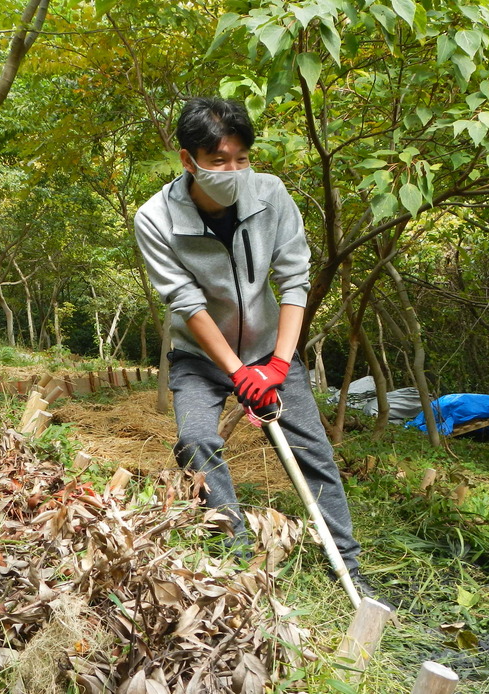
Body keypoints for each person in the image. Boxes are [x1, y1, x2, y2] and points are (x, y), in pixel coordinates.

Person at [134, 97, 386, 604]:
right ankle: (235, 560)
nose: (233, 170)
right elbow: (186, 302)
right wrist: (236, 372)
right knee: (196, 441)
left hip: (272, 349)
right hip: (200, 357)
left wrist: (276, 365)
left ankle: (348, 567)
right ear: (188, 160)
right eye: (218, 160)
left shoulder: (270, 194)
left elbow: (294, 280)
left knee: (313, 453)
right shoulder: (155, 218)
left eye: (241, 159)